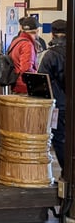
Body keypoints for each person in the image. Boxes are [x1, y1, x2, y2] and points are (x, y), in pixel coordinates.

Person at [38, 19, 66, 174]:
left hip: (58, 105)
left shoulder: (50, 55)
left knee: (59, 139)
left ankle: (67, 172)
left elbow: (41, 80)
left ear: (53, 33)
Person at [8, 16, 40, 94]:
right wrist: (37, 74)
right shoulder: (27, 44)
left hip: (15, 85)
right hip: (24, 87)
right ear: (37, 30)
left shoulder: (16, 41)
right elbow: (26, 69)